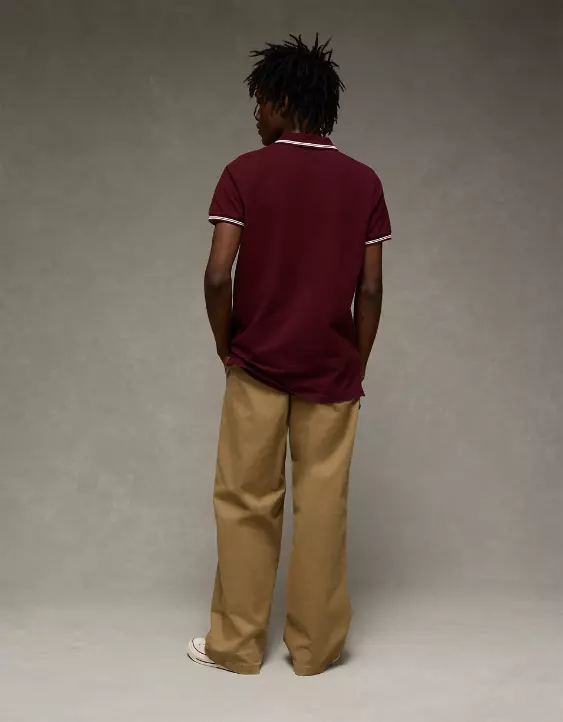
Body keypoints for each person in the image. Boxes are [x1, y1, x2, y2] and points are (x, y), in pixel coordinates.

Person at [188, 34, 391, 676]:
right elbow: (371, 289)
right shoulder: (364, 182)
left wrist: (226, 343)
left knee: (246, 501)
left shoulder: (243, 173)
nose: (254, 114)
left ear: (281, 101)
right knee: (323, 506)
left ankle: (236, 645)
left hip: (256, 365)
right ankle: (315, 650)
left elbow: (217, 275)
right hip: (332, 372)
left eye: (258, 102)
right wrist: (356, 359)